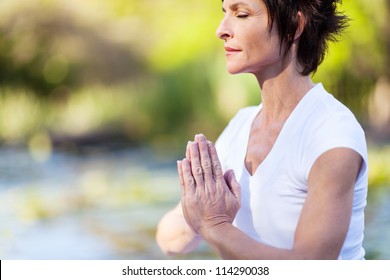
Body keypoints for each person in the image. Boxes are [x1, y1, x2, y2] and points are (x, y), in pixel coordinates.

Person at [156, 0, 368, 260]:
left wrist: (214, 226)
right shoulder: (241, 124)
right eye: (225, 14)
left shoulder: (331, 132)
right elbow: (170, 236)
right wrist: (199, 215)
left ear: (295, 25)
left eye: (242, 14)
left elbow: (311, 266)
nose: (221, 30)